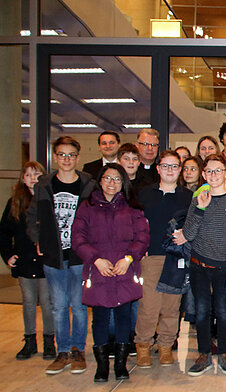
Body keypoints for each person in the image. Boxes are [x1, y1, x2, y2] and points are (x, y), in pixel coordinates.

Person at [71, 163, 149, 382]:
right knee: (100, 320)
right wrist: (96, 260)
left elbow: (142, 237)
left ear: (123, 182)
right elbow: (77, 238)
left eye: (117, 179)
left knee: (124, 318)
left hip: (125, 270)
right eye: (107, 178)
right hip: (98, 272)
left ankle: (121, 365)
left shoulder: (133, 207)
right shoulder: (87, 207)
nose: (112, 183)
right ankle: (102, 366)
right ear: (100, 180)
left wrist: (129, 258)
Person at [27, 136, 96, 375]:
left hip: (79, 254)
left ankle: (78, 349)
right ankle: (62, 351)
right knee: (58, 306)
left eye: (71, 155)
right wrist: (38, 239)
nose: (66, 159)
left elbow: (95, 219)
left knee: (77, 306)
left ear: (78, 158)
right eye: (61, 155)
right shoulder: (44, 185)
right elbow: (32, 216)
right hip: (53, 254)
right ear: (55, 157)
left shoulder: (88, 184)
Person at [182, 154, 226, 376]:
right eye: (209, 171)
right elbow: (188, 234)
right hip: (199, 265)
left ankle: (225, 352)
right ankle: (204, 354)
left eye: (218, 170)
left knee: (223, 312)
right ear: (203, 174)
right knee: (201, 312)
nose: (213, 175)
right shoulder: (197, 199)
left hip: (224, 268)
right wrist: (200, 208)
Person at [133, 151, 193, 369]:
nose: (170, 170)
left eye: (175, 166)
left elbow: (194, 224)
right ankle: (143, 345)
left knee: (171, 305)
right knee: (148, 306)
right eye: (165, 166)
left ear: (180, 170)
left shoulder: (188, 196)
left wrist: (187, 235)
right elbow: (135, 224)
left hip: (177, 257)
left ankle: (166, 345)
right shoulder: (144, 194)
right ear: (157, 168)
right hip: (151, 256)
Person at [0, 162, 55, 361]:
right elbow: (4, 232)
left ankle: (50, 340)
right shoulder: (14, 202)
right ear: (22, 178)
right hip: (24, 261)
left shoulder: (49, 200)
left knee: (48, 304)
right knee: (29, 302)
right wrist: (7, 254)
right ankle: (30, 341)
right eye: (28, 174)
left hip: (45, 261)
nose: (33, 178)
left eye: (37, 173)